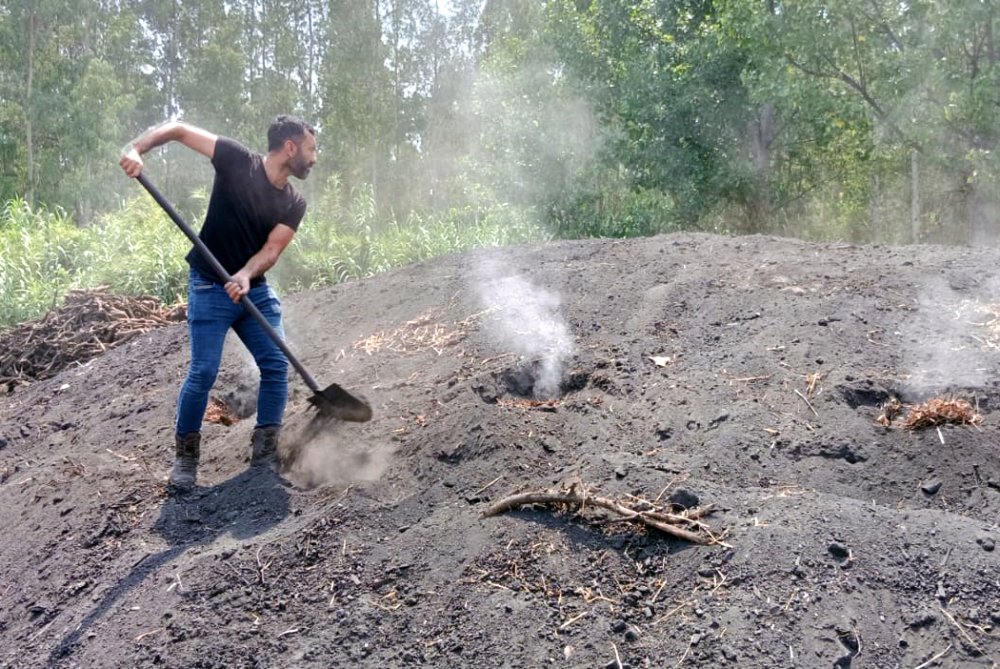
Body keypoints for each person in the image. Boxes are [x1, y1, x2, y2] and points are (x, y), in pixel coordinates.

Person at [119, 116, 317, 490]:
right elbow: (177, 129)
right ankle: (186, 461)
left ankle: (263, 457)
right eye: (311, 149)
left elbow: (272, 250)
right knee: (204, 371)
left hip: (252, 288)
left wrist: (244, 274)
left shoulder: (294, 202)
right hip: (210, 286)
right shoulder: (235, 159)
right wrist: (136, 148)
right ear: (290, 147)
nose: (314, 158)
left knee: (276, 364)